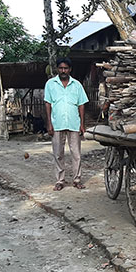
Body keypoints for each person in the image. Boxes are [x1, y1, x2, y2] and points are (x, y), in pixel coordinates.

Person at [44, 57, 89, 191]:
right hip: (57, 123)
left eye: (66, 68)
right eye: (61, 68)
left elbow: (81, 105)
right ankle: (60, 180)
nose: (63, 70)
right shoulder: (50, 84)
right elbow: (48, 104)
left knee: (76, 154)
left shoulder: (77, 85)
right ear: (57, 69)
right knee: (58, 153)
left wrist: (82, 124)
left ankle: (77, 180)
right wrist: (49, 124)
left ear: (70, 69)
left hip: (74, 123)